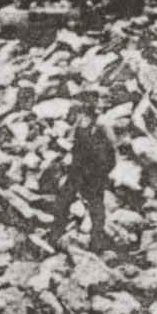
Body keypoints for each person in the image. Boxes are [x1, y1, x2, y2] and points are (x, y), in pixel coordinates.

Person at [47, 97, 120, 251]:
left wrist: (108, 169)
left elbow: (113, 147)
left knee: (95, 205)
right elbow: (73, 140)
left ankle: (97, 240)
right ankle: (56, 235)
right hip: (78, 169)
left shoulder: (102, 123)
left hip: (94, 171)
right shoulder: (81, 122)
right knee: (64, 200)